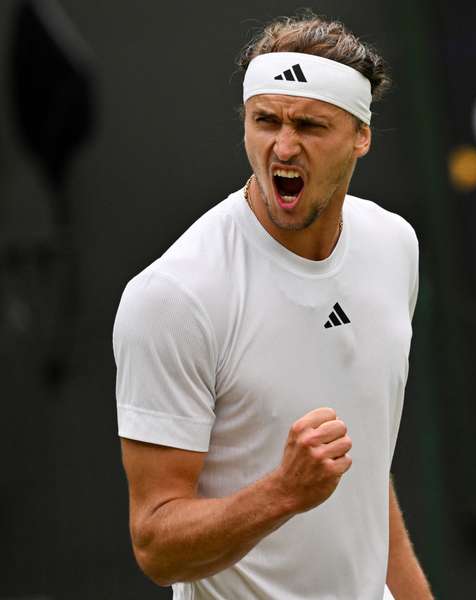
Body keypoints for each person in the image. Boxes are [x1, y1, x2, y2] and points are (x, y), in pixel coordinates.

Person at [112, 14, 432, 600]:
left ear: (361, 135)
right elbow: (156, 544)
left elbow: (356, 473)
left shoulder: (393, 246)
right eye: (265, 121)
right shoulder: (173, 296)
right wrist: (284, 491)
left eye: (309, 124)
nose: (283, 146)